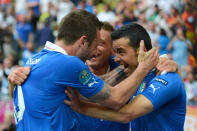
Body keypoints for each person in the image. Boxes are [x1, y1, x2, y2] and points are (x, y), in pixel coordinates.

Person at [9, 10, 158, 131]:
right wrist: (143, 67)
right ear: (83, 41)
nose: (95, 52)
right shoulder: (68, 63)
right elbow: (116, 98)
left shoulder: (34, 60)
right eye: (95, 43)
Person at [64, 23, 186, 131]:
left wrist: (82, 107)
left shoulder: (166, 76)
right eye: (115, 52)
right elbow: (104, 85)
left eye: (121, 52)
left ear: (141, 51)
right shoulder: (133, 78)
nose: (116, 58)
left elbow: (126, 114)